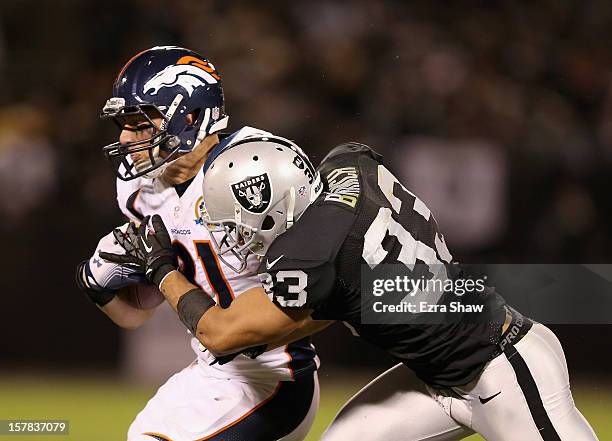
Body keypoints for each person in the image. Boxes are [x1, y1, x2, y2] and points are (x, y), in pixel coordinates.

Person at [103, 138, 599, 440]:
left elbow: (222, 334)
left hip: (501, 365)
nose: (238, 238)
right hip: (431, 376)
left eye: (238, 224)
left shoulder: (308, 258)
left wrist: (163, 268)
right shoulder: (347, 163)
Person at [76, 46, 321, 441]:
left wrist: (161, 269)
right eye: (123, 124)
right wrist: (98, 283)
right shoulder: (141, 188)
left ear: (189, 118)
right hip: (212, 369)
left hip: (273, 375)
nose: (125, 137)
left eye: (140, 124)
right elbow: (138, 313)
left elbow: (317, 279)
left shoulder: (255, 168)